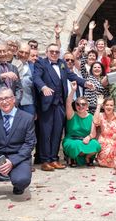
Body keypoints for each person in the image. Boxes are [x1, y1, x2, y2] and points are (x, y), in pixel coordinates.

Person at [33, 43, 87, 171]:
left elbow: (72, 76)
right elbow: (36, 77)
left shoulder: (62, 63)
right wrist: (43, 87)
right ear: (46, 52)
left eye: (57, 52)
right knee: (46, 133)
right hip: (46, 104)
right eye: (51, 51)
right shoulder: (41, 63)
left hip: (60, 104)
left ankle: (54, 158)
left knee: (57, 132)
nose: (54, 54)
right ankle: (45, 160)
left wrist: (85, 83)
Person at [62, 83, 101, 166]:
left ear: (87, 106)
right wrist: (73, 91)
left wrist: (89, 137)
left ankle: (86, 157)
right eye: (78, 104)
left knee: (96, 145)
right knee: (75, 145)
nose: (80, 106)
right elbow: (68, 103)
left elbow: (93, 133)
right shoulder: (72, 115)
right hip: (72, 140)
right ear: (75, 106)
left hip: (85, 140)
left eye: (83, 104)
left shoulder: (91, 117)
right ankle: (74, 156)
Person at [93, 96, 116, 169]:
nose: (109, 107)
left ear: (114, 106)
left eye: (111, 105)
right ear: (103, 106)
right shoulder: (101, 115)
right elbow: (95, 121)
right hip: (104, 140)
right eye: (107, 105)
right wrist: (98, 106)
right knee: (109, 148)